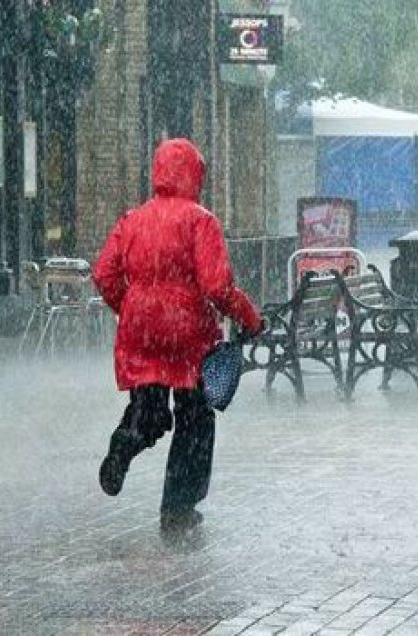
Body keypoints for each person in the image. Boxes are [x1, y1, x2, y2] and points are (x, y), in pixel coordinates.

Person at [92, 138, 263, 535]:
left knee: (149, 409)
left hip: (141, 332)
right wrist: (250, 319)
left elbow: (104, 274)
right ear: (195, 175)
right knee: (194, 420)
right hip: (188, 336)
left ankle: (124, 445)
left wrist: (132, 307)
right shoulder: (200, 221)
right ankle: (178, 509)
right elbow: (217, 286)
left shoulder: (132, 220)